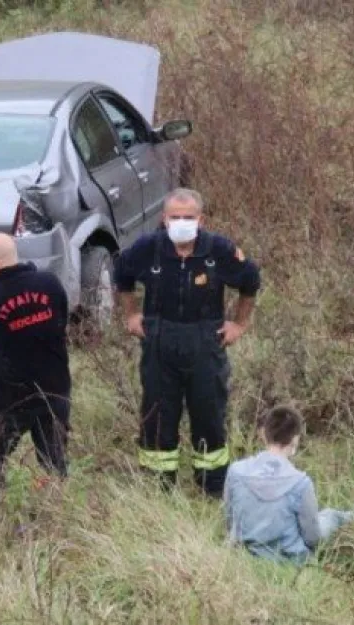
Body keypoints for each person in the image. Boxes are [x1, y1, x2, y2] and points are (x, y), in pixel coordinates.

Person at [113, 188, 262, 497]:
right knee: (157, 413)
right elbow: (122, 274)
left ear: (201, 220)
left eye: (188, 217)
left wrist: (240, 324)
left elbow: (250, 281)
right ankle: (158, 485)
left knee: (208, 412)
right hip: (159, 339)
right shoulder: (148, 248)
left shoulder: (218, 250)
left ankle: (212, 485)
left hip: (205, 339)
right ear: (164, 219)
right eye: (175, 217)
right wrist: (131, 315)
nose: (181, 222)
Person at [0, 233, 71, 501]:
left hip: (7, 397)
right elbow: (62, 317)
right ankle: (60, 510)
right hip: (55, 388)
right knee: (54, 458)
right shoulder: (49, 282)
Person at [223, 406, 354, 563]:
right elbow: (313, 539)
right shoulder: (300, 483)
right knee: (330, 516)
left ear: (264, 435)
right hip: (288, 559)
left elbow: (230, 520)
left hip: (244, 553)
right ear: (295, 440)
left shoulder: (236, 471)